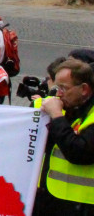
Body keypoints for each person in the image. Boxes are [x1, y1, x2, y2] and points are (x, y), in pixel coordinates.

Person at [35, 58, 94, 215]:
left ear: (84, 89)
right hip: (50, 197)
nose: (58, 94)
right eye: (56, 87)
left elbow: (80, 152)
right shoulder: (69, 106)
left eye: (64, 88)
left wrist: (57, 116)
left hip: (83, 204)